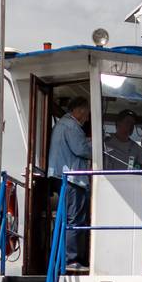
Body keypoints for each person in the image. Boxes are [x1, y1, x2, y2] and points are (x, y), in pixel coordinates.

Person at [46, 100, 93, 270]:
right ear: (78, 111)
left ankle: (58, 258)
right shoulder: (72, 126)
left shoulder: (62, 125)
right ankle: (71, 260)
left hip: (62, 177)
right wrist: (96, 147)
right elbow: (81, 149)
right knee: (74, 218)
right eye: (86, 114)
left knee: (64, 218)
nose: (87, 119)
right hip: (72, 179)